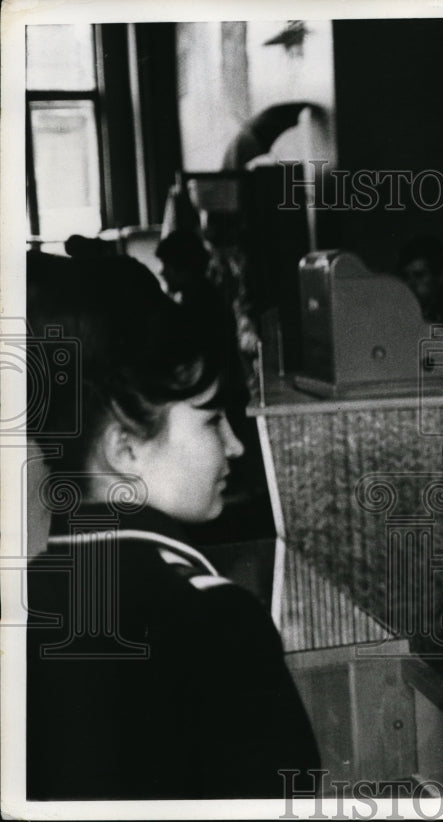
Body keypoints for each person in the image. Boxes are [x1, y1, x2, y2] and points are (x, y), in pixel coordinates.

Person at [25, 251, 320, 799]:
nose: (234, 445)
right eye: (211, 421)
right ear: (125, 447)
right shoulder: (213, 619)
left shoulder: (27, 600)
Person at [395, 235, 443, 330]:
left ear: (441, 277)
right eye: (405, 276)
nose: (409, 282)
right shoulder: (397, 309)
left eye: (419, 275)